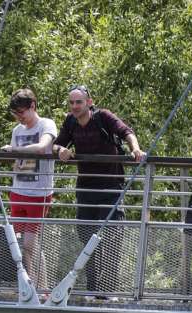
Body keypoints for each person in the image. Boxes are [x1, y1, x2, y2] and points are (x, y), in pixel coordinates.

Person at [53, 85, 145, 295]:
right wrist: (61, 150)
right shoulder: (70, 122)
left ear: (89, 102)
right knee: (86, 236)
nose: (75, 106)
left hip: (111, 185)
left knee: (112, 235)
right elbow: (55, 145)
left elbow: (127, 132)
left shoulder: (103, 117)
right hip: (86, 187)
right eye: (72, 102)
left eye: (79, 102)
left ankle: (107, 290)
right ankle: (93, 286)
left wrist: (136, 149)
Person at [1, 89, 57, 288]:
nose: (19, 118)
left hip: (38, 195)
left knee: (29, 244)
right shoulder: (17, 131)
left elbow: (42, 147)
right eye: (16, 114)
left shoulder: (46, 124)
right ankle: (31, 284)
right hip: (18, 192)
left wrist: (14, 150)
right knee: (19, 245)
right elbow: (17, 163)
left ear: (33, 106)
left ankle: (41, 287)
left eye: (22, 113)